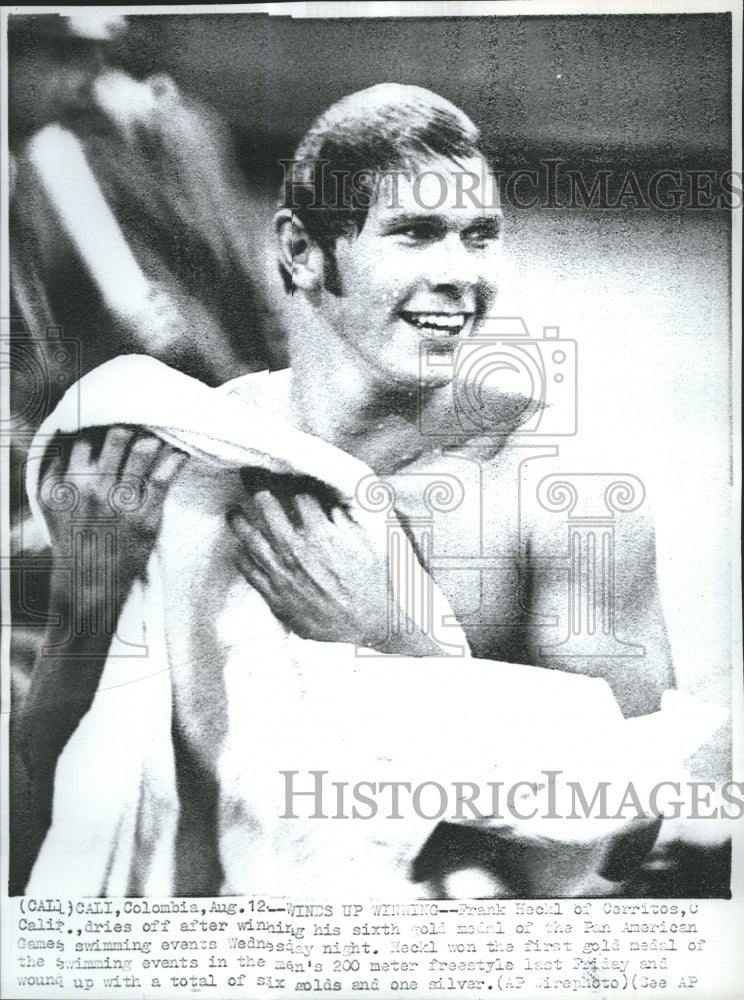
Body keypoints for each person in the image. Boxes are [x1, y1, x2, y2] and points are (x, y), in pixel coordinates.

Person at [15, 83, 675, 896]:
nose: (459, 275)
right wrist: (88, 597)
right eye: (417, 234)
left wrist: (403, 647)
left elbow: (627, 836)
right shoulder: (185, 451)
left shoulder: (558, 498)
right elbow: (51, 820)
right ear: (301, 251)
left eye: (479, 238)